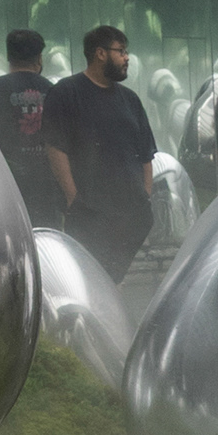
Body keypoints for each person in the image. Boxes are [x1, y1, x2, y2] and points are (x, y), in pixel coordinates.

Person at [53, 24, 158, 274]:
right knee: (92, 275)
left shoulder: (130, 99)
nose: (127, 58)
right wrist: (73, 199)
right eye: (121, 51)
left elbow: (146, 153)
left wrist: (145, 197)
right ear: (100, 53)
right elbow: (56, 149)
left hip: (130, 213)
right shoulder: (67, 93)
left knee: (115, 276)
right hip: (90, 212)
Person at [0, 28, 73, 226]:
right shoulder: (53, 91)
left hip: (3, 187)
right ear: (39, 58)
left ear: (8, 56)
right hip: (46, 189)